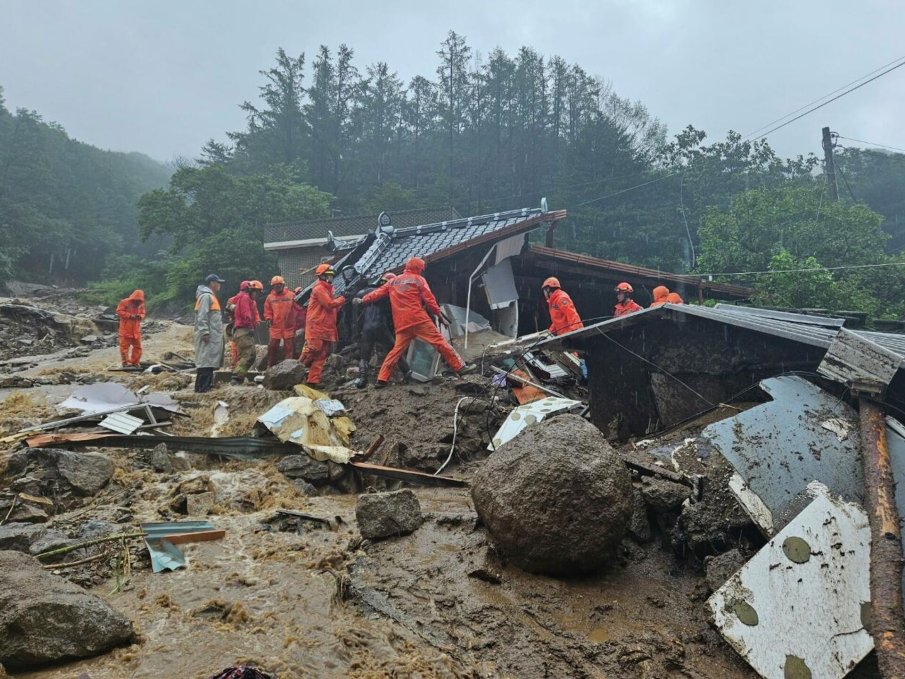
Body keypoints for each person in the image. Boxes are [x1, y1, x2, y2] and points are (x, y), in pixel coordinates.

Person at [356, 256, 475, 388]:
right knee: (439, 342)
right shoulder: (419, 280)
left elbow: (376, 293)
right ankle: (460, 367)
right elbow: (430, 300)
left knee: (395, 351)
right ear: (419, 268)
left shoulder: (393, 281)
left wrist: (363, 300)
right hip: (419, 320)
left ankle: (382, 379)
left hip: (401, 324)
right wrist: (439, 315)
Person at [353, 272, 411, 389]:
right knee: (395, 351)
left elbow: (358, 297)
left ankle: (362, 380)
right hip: (381, 328)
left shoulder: (369, 292)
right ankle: (407, 372)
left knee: (365, 355)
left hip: (367, 328)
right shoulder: (391, 294)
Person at [301, 264, 346, 386]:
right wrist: (342, 298)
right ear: (322, 276)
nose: (331, 278)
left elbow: (333, 308)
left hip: (326, 327)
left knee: (321, 355)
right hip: (317, 326)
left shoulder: (328, 290)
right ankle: (294, 373)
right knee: (312, 351)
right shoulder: (319, 289)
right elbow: (329, 304)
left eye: (332, 275)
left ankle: (313, 381)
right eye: (329, 275)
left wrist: (340, 301)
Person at [194, 274, 226, 393]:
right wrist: (205, 332)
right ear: (212, 283)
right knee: (205, 361)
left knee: (209, 360)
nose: (219, 285)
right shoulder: (206, 296)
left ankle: (204, 386)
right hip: (208, 335)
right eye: (218, 283)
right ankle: (202, 388)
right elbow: (202, 316)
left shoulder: (210, 297)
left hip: (212, 335)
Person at [232, 279, 261, 383]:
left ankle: (239, 376)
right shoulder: (245, 298)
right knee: (248, 355)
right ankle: (236, 377)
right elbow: (246, 315)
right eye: (256, 292)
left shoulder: (240, 298)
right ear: (250, 290)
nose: (257, 295)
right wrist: (251, 327)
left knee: (247, 355)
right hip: (244, 330)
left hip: (240, 330)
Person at [264, 275, 295, 366]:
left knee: (289, 347)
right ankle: (270, 366)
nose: (277, 287)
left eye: (279, 285)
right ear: (273, 287)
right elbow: (267, 310)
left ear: (283, 285)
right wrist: (268, 318)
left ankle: (288, 366)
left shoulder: (291, 295)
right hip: (275, 326)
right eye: (275, 286)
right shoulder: (270, 298)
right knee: (272, 346)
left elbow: (298, 307)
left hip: (289, 325)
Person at [115, 289, 145, 367]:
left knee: (138, 347)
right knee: (124, 348)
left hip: (136, 330)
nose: (137, 302)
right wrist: (130, 315)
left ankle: (135, 362)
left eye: (139, 300)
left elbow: (143, 313)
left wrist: (140, 316)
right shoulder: (124, 302)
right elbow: (119, 311)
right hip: (125, 330)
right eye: (136, 300)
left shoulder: (141, 304)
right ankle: (125, 363)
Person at [289, 286, 307, 359]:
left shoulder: (306, 306)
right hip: (293, 329)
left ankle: (296, 358)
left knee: (298, 346)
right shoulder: (292, 305)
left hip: (301, 328)